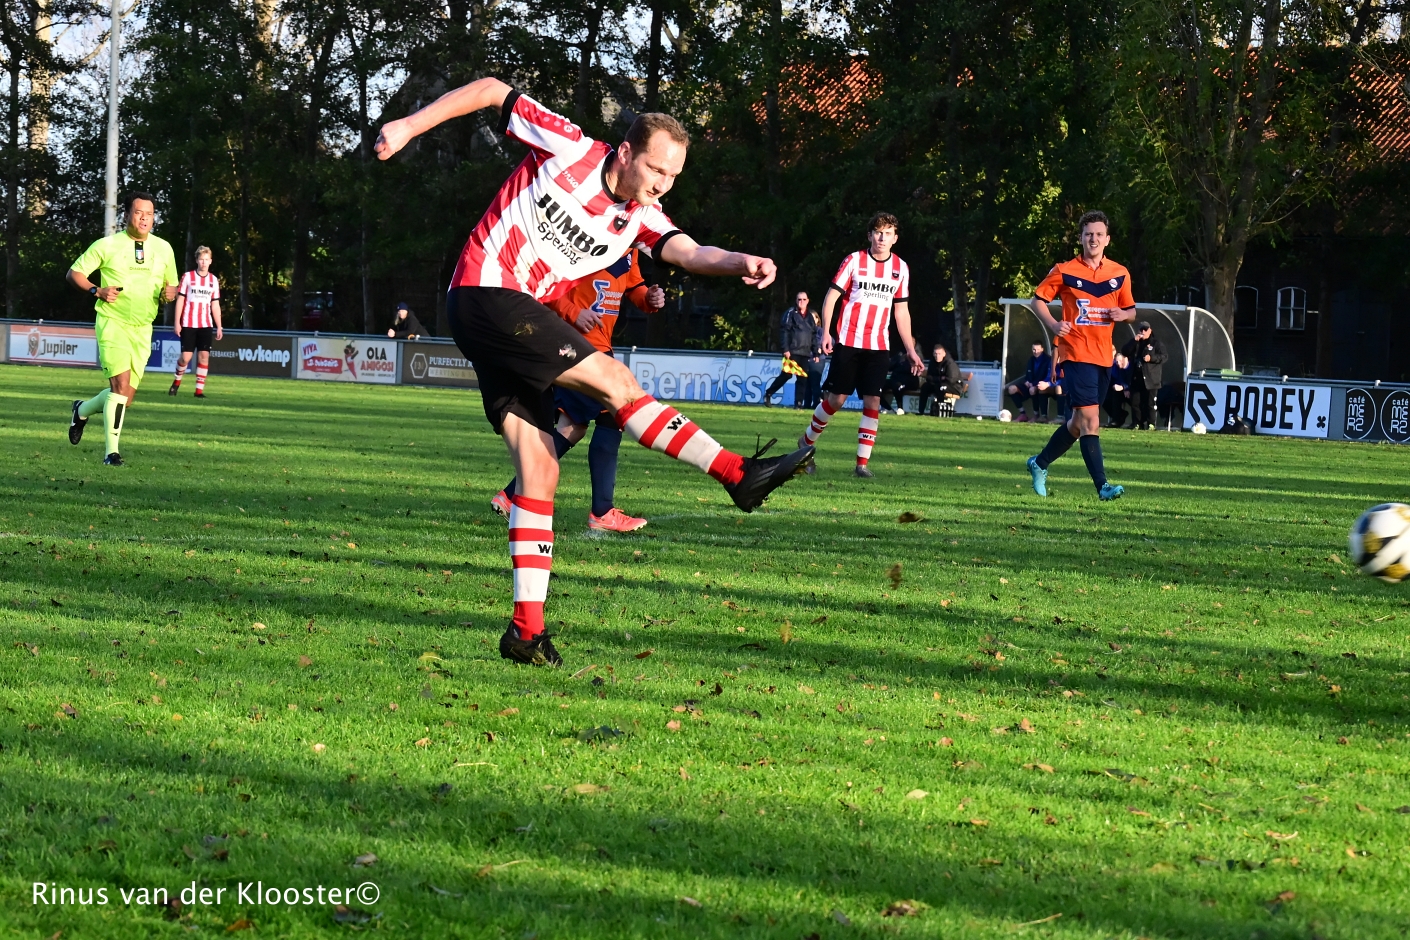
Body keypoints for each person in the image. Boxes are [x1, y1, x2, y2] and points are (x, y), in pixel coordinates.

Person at [374, 78, 812, 668]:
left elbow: (687, 251)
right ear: (626, 152)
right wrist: (407, 126)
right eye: (657, 171)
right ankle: (737, 473)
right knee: (617, 384)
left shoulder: (640, 216)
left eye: (674, 177)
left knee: (540, 469)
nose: (663, 185)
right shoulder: (569, 147)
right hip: (486, 293)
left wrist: (742, 263)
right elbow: (487, 91)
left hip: (506, 323)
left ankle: (525, 633)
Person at [491, 249, 666, 532]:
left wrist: (649, 298)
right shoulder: (588, 235)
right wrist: (573, 312)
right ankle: (602, 512)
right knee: (613, 414)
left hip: (596, 346)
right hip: (574, 344)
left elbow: (633, 286)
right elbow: (543, 282)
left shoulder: (630, 247)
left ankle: (511, 496)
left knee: (573, 427)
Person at [798, 212, 924, 477]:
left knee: (874, 401)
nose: (882, 237)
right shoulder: (854, 261)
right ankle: (805, 444)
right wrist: (826, 333)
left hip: (879, 345)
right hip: (849, 340)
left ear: (895, 238)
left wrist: (911, 350)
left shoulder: (900, 268)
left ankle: (861, 465)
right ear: (869, 235)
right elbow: (832, 297)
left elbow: (901, 312)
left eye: (887, 233)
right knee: (837, 399)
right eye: (878, 232)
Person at [1024, 210, 1137, 501]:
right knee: (1091, 420)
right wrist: (1053, 324)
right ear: (1081, 238)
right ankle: (1103, 487)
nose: (1094, 239)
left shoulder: (1119, 273)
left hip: (1103, 358)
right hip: (1074, 353)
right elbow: (1037, 300)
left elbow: (1131, 311)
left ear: (1107, 239)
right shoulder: (1064, 270)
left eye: (1099, 234)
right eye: (1089, 234)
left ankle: (1040, 463)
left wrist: (1123, 314)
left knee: (1078, 423)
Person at [65, 192, 178, 466]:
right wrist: (97, 290)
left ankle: (82, 409)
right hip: (112, 323)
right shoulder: (108, 245)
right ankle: (111, 453)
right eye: (139, 212)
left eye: (149, 214)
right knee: (119, 387)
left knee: (125, 398)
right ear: (127, 214)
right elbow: (74, 274)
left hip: (143, 329)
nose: (144, 218)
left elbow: (171, 286)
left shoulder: (164, 248)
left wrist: (169, 294)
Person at [168, 246, 223, 398]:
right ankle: (177, 382)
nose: (204, 263)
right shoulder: (187, 277)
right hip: (188, 323)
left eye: (206, 260)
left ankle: (199, 391)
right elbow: (180, 300)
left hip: (206, 324)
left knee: (204, 356)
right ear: (197, 260)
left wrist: (219, 326)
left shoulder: (213, 280)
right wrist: (177, 322)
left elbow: (215, 304)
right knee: (185, 358)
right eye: (201, 259)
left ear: (210, 261)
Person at [763, 292, 819, 407]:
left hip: (805, 352)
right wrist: (785, 349)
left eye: (804, 299)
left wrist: (815, 352)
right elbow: (784, 331)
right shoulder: (790, 313)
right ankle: (769, 393)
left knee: (802, 379)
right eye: (799, 299)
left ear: (808, 301)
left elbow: (813, 335)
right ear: (796, 300)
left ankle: (798, 404)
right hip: (792, 351)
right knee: (786, 375)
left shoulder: (810, 317)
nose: (801, 302)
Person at [1121, 321, 1167, 430]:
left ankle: (1151, 424)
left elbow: (1164, 357)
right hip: (1137, 377)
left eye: (1145, 329)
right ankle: (1137, 423)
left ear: (1150, 330)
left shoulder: (1156, 343)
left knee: (1150, 403)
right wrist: (1133, 341)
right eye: (1141, 329)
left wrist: (1152, 359)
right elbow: (1124, 351)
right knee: (1135, 402)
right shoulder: (1136, 343)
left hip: (1151, 378)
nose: (1143, 332)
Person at [1007, 341, 1052, 423]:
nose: (1036, 352)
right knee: (1011, 389)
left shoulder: (1048, 360)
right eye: (1034, 349)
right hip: (1030, 384)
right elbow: (1028, 374)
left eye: (1038, 349)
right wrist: (1027, 381)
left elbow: (1048, 376)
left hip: (1040, 386)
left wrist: (1034, 384)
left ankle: (1036, 415)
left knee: (1032, 390)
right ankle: (1023, 414)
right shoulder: (1031, 359)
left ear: (1042, 349)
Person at [919, 343, 968, 416]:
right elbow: (929, 377)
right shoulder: (932, 362)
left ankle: (939, 412)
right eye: (935, 353)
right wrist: (940, 378)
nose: (937, 356)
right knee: (925, 387)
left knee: (940, 387)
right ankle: (921, 412)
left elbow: (951, 380)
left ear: (944, 353)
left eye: (939, 353)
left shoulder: (950, 363)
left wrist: (935, 379)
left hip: (955, 386)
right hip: (939, 383)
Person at [1104, 350, 1132, 428]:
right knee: (1107, 398)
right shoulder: (1116, 367)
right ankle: (1117, 419)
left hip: (1132, 391)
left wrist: (1125, 387)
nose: (1118, 363)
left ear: (1125, 359)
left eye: (1120, 361)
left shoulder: (1132, 367)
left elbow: (1133, 381)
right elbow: (1115, 379)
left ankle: (1138, 422)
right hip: (1120, 391)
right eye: (1117, 361)